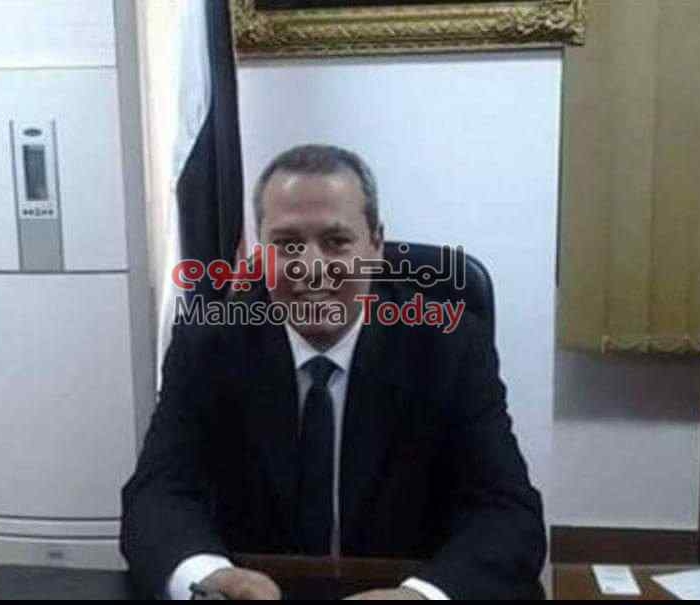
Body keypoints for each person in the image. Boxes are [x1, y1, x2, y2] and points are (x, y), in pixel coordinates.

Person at [120, 145, 546, 599]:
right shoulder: (209, 345)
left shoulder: (448, 347)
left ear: (376, 246)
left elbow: (508, 515)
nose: (312, 268)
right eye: (287, 245)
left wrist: (420, 596)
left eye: (336, 242)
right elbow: (157, 495)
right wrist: (212, 577)